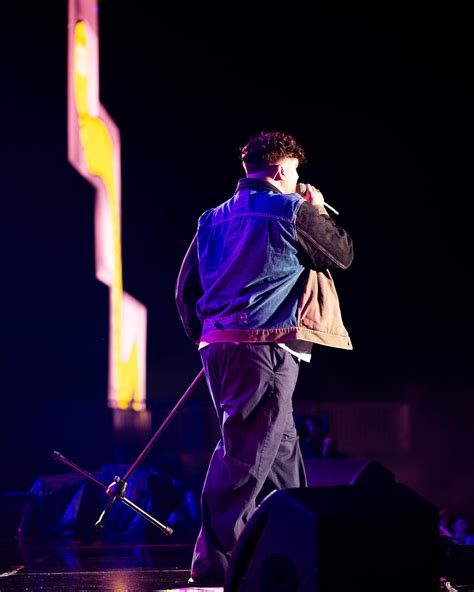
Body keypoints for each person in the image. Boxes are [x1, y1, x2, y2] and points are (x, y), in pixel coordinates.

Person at [175, 130, 354, 586]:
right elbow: (341, 254)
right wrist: (316, 208)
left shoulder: (211, 218)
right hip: (264, 346)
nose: (298, 181)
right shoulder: (292, 209)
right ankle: (216, 566)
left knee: (280, 452)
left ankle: (297, 547)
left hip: (220, 346)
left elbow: (186, 290)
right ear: (278, 171)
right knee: (244, 455)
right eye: (294, 173)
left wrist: (209, 336)